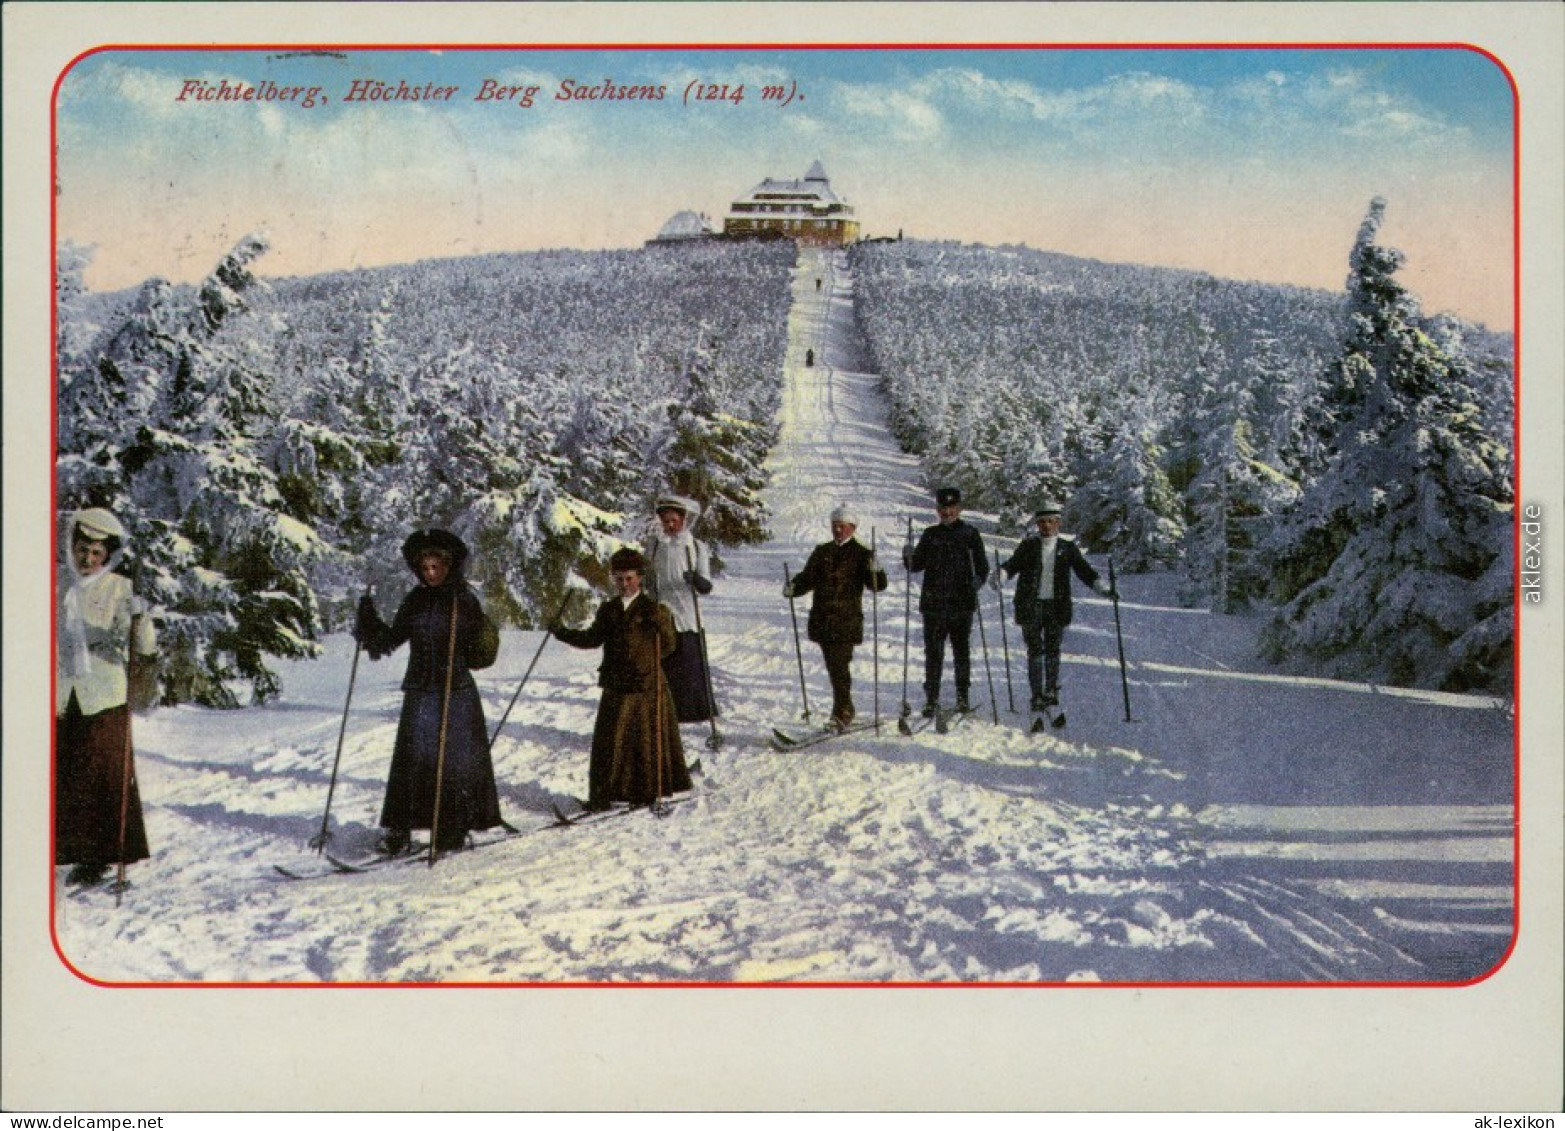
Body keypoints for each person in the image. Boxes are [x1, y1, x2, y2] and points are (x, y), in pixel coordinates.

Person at [355, 529, 504, 855]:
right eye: (425, 569)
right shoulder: (415, 601)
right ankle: (401, 828)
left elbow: (481, 652)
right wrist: (368, 621)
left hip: (456, 691)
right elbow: (391, 640)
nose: (431, 574)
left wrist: (476, 631)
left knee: (455, 762)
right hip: (422, 692)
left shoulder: (463, 600)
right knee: (413, 760)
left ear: (449, 566)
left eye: (437, 567)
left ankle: (453, 828)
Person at [56, 507, 157, 885]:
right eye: (82, 549)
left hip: (104, 695)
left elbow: (140, 648)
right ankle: (70, 853)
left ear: (107, 555)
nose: (87, 559)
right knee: (69, 777)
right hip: (63, 696)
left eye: (96, 552)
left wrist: (140, 619)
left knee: (104, 779)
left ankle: (105, 857)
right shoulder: (57, 585)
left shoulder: (119, 588)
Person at [554, 547, 692, 811]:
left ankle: (645, 793)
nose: (623, 584)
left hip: (646, 686)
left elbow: (669, 646)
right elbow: (592, 639)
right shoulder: (609, 610)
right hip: (616, 685)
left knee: (643, 743)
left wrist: (660, 627)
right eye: (618, 579)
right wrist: (562, 633)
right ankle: (604, 795)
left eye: (628, 578)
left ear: (639, 577)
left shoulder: (655, 609)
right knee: (610, 742)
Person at [994, 502, 1113, 711]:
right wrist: (1001, 576)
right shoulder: (1028, 546)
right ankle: (1036, 694)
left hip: (1056, 607)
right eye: (1042, 522)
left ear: (1058, 523)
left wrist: (1102, 588)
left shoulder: (1067, 548)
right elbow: (1012, 565)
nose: (1046, 526)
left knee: (1052, 649)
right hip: (1030, 606)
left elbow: (1084, 571)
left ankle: (1050, 690)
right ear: (1037, 525)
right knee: (1035, 650)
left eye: (1051, 521)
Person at [783, 505, 889, 732]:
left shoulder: (862, 553)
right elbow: (807, 577)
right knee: (833, 667)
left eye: (843, 526)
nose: (838, 530)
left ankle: (841, 710)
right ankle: (845, 706)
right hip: (822, 619)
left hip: (847, 621)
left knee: (839, 665)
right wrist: (793, 587)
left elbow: (876, 586)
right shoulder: (822, 551)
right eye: (835, 526)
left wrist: (877, 570)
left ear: (852, 528)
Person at [904, 487, 988, 716]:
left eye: (951, 508)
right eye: (943, 508)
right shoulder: (930, 535)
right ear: (938, 510)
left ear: (959, 508)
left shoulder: (971, 534)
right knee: (934, 652)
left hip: (961, 604)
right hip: (934, 604)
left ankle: (963, 696)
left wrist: (976, 582)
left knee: (961, 651)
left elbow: (983, 568)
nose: (947, 512)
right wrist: (908, 555)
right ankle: (932, 698)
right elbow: (915, 566)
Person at [642, 495, 716, 725]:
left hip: (687, 613)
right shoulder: (654, 546)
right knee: (666, 663)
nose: (670, 526)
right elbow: (647, 575)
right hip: (662, 612)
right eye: (666, 521)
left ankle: (696, 712)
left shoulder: (694, 547)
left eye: (674, 520)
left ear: (684, 520)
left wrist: (696, 580)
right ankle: (667, 711)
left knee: (690, 664)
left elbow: (706, 585)